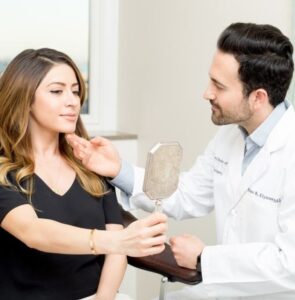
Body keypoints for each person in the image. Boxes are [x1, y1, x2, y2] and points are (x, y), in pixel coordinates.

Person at [66, 22, 295, 299]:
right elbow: (188, 194)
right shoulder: (230, 137)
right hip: (225, 291)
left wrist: (204, 258)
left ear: (258, 97)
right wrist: (118, 170)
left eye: (218, 86)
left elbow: (289, 264)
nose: (206, 93)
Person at [0, 48, 168, 300]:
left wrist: (103, 297)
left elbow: (116, 252)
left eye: (76, 91)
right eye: (57, 91)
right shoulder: (4, 171)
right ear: (25, 98)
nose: (72, 101)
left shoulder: (89, 164)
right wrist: (121, 240)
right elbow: (33, 232)